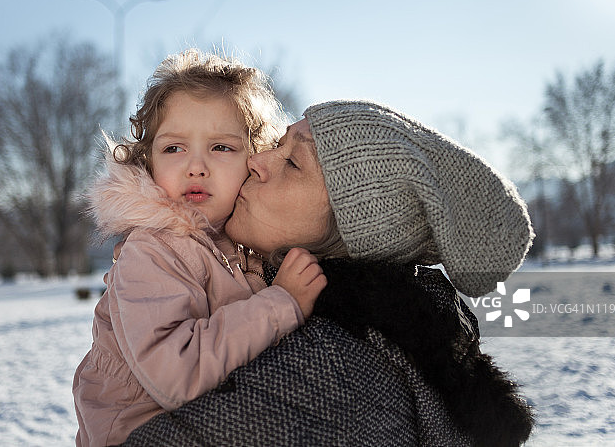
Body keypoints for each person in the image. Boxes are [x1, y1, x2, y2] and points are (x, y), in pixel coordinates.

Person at [119, 100, 536, 447]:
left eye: (293, 163)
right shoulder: (391, 328)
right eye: (276, 144)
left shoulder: (331, 372)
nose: (258, 161)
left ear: (355, 226)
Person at [72, 50, 327, 447]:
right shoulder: (153, 250)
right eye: (174, 148)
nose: (195, 166)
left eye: (221, 148)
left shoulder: (240, 244)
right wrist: (280, 304)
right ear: (149, 161)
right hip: (139, 434)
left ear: (253, 160)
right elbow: (177, 373)